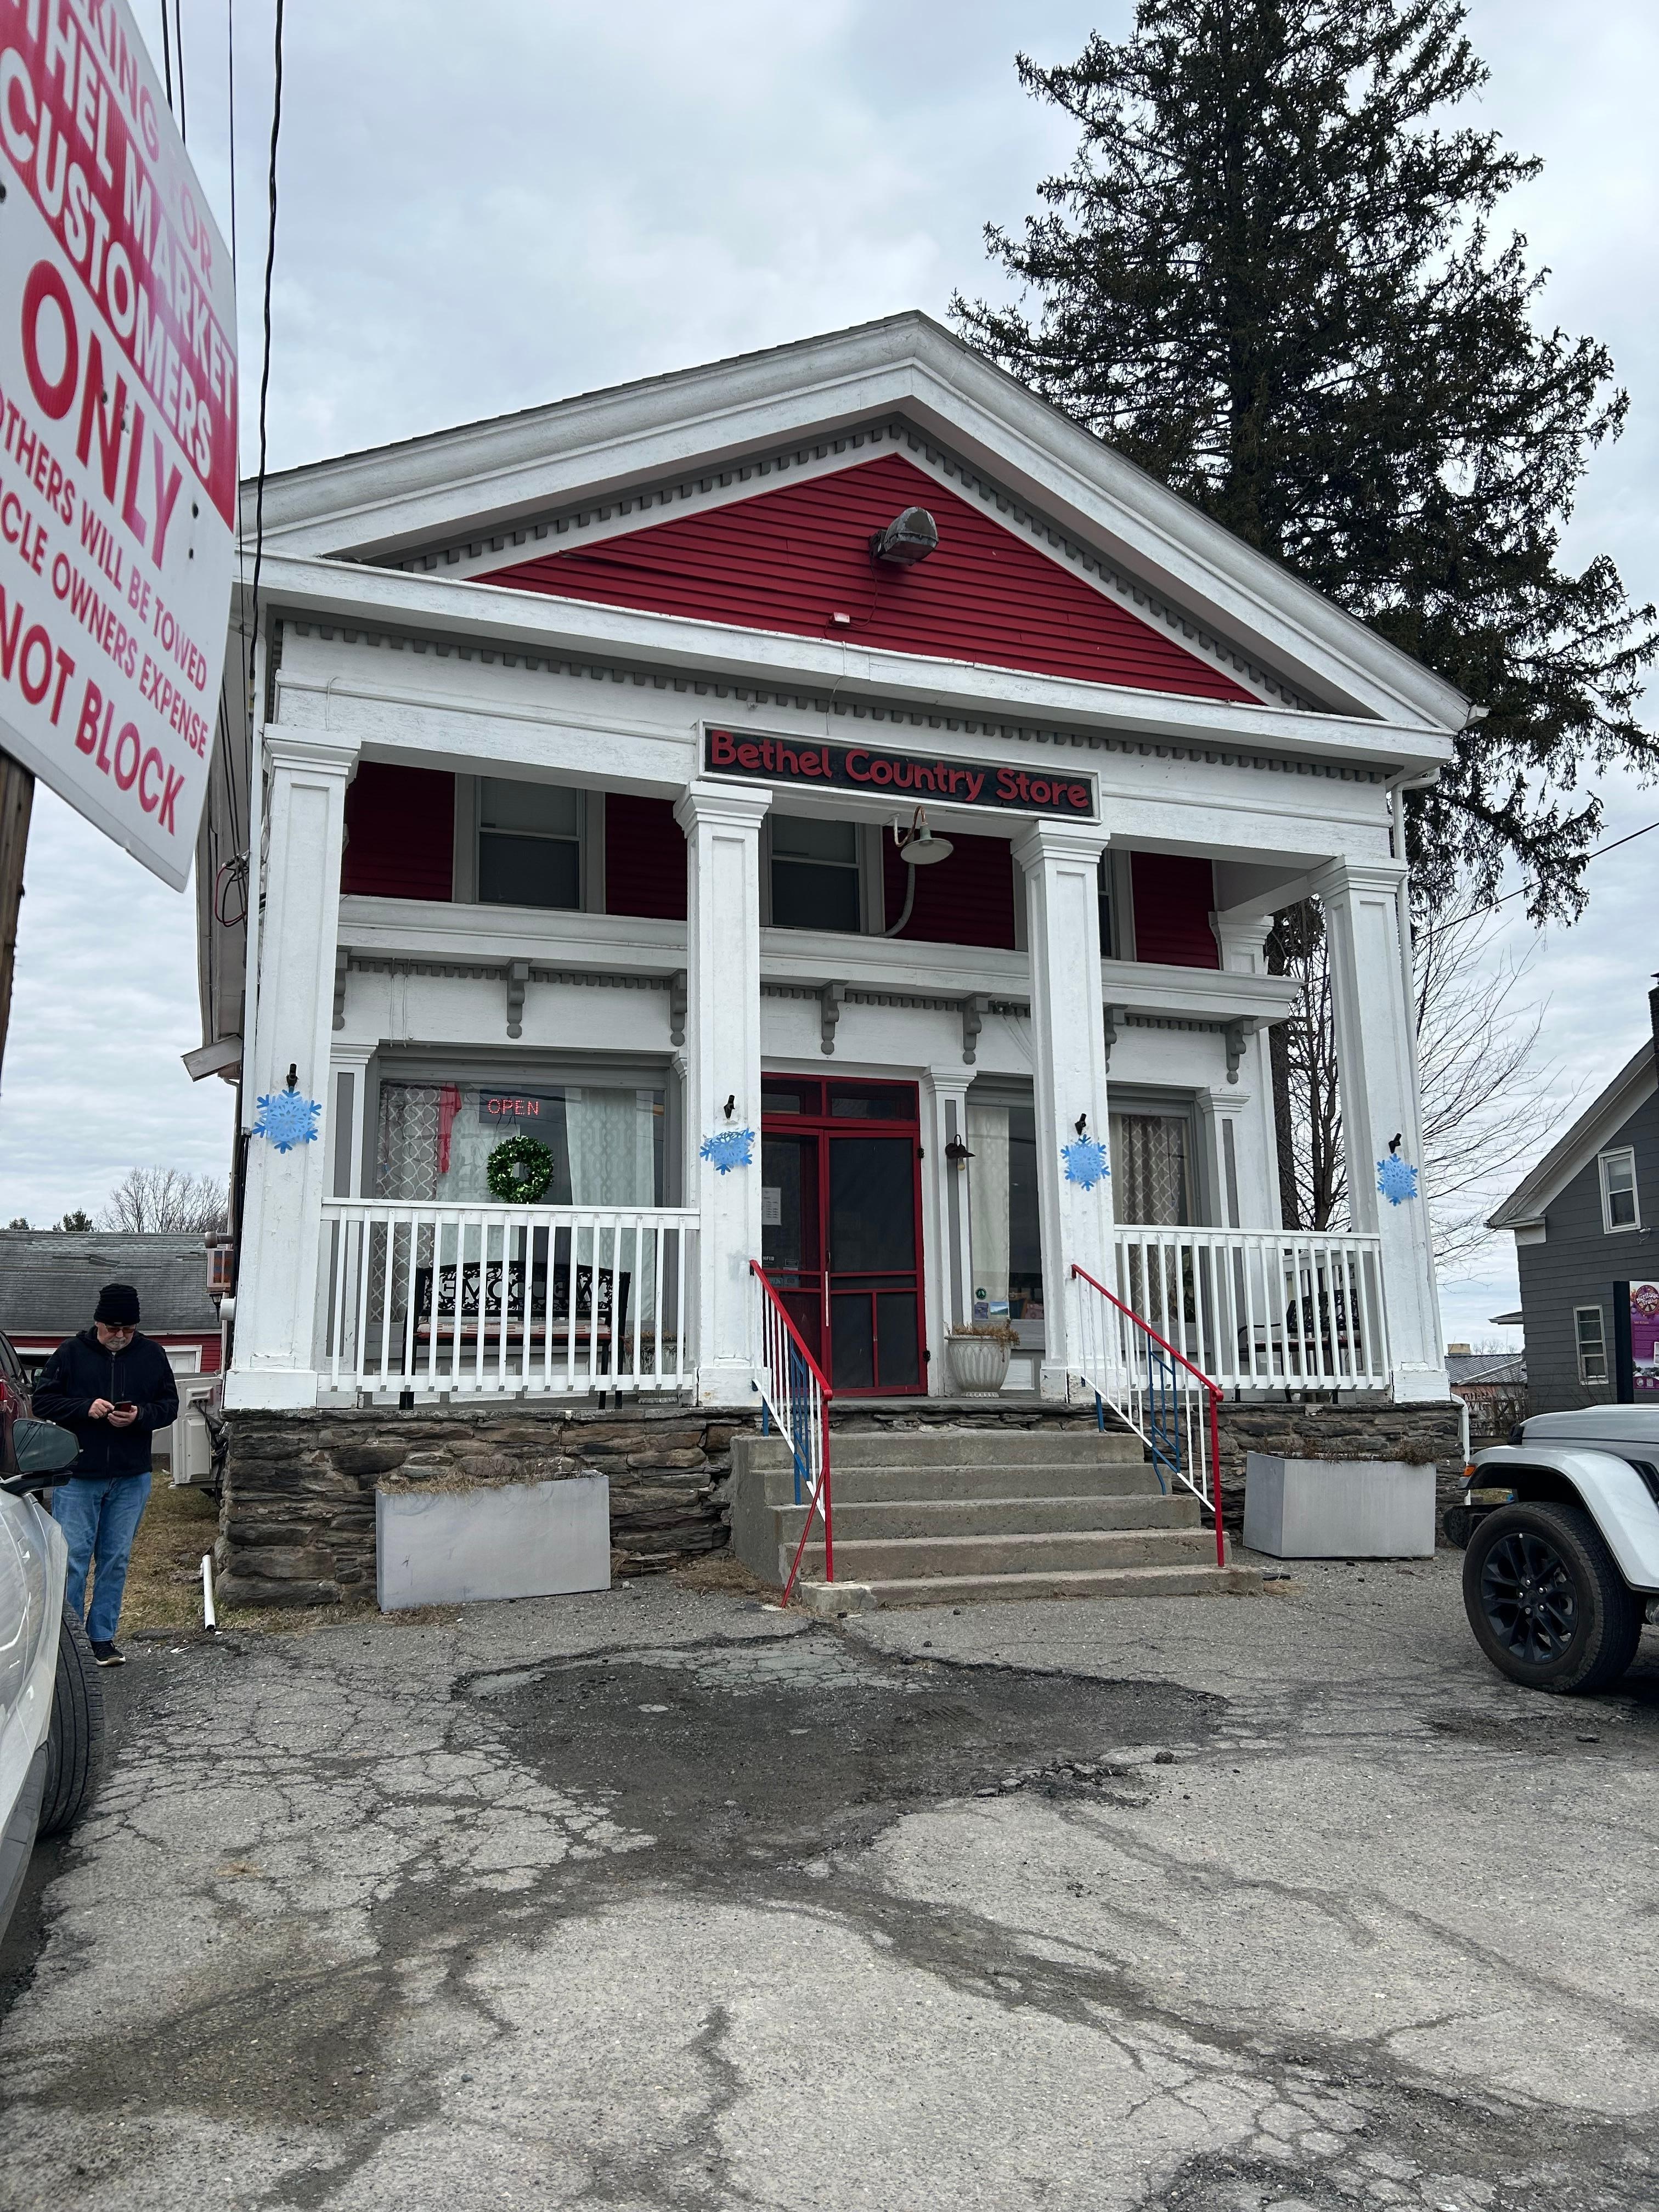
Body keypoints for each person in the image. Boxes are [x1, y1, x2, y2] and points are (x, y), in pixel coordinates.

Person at [32, 1283, 179, 1667]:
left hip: (132, 1475)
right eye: (113, 1328)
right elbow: (42, 1400)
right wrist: (84, 1408)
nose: (120, 1336)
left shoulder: (152, 1355)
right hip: (79, 1475)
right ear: (97, 1323)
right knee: (73, 1559)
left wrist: (141, 1416)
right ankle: (70, 1644)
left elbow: (169, 1406)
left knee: (116, 1558)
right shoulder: (70, 1353)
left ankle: (102, 1639)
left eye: (128, 1329)